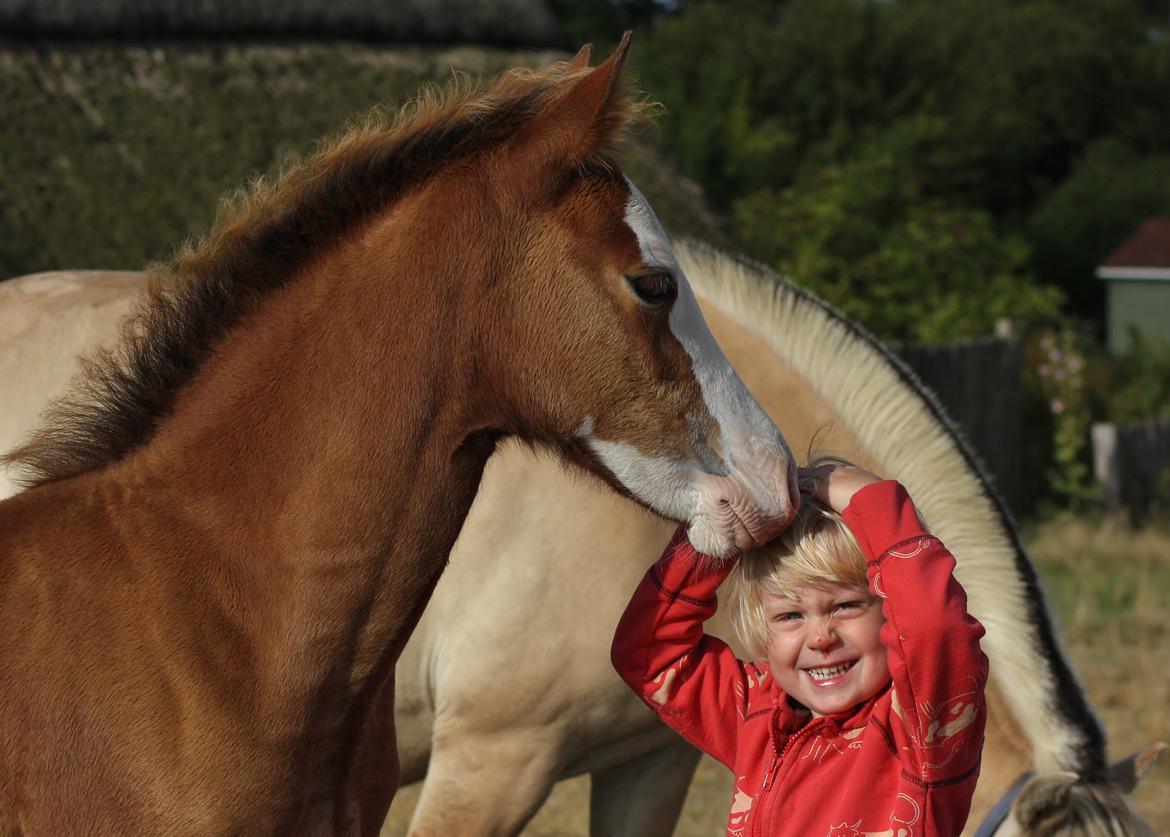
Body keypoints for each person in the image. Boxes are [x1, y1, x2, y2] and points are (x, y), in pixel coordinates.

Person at [611, 459, 988, 836]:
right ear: (761, 625)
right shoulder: (754, 713)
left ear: (891, 612)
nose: (821, 636)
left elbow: (936, 628)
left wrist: (870, 501)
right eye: (791, 615)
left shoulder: (920, 727)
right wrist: (714, 537)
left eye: (846, 606)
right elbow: (649, 654)